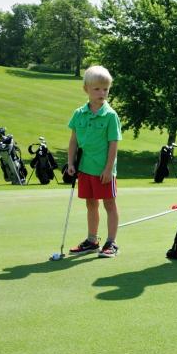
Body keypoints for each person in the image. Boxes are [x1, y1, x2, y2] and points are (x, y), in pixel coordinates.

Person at [67, 65, 122, 258]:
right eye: (97, 89)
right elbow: (73, 141)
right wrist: (71, 163)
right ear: (86, 89)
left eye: (105, 89)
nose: (102, 93)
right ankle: (92, 241)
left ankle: (111, 242)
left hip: (104, 171)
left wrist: (108, 169)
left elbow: (113, 144)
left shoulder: (111, 116)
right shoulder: (78, 113)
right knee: (91, 204)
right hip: (85, 169)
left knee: (109, 204)